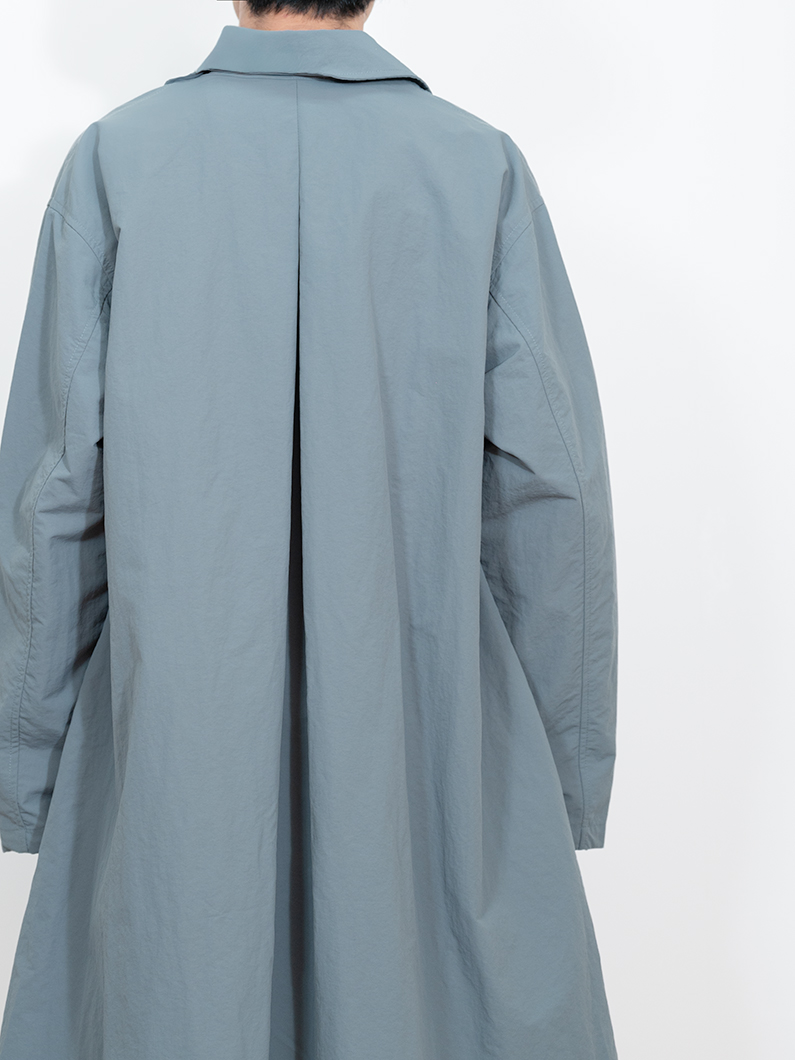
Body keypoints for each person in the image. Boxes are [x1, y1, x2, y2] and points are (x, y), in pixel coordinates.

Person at [0, 2, 620, 1058]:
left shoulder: (117, 161)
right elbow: (552, 490)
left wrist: (33, 772)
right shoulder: (476, 168)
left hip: (176, 743)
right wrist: (554, 770)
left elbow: (52, 496)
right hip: (413, 736)